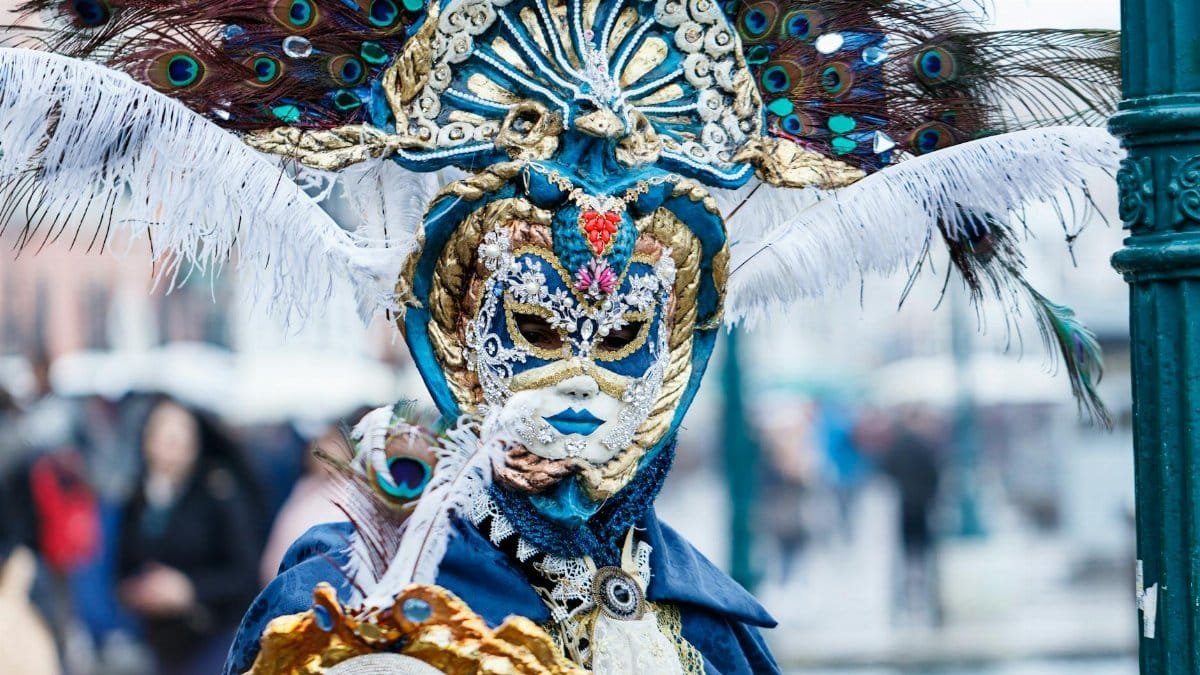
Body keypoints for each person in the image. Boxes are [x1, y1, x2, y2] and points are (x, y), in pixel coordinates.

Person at [0, 0, 1120, 672]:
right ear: (451, 341)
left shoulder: (705, 613)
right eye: (533, 328)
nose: (580, 381)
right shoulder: (353, 598)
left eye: (625, 331)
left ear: (683, 349)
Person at [117, 398, 261, 675]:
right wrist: (139, 590)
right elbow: (122, 566)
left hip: (213, 634)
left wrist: (188, 589)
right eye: (165, 437)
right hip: (156, 639)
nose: (174, 448)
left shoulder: (217, 492)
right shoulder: (137, 497)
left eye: (182, 438)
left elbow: (244, 573)